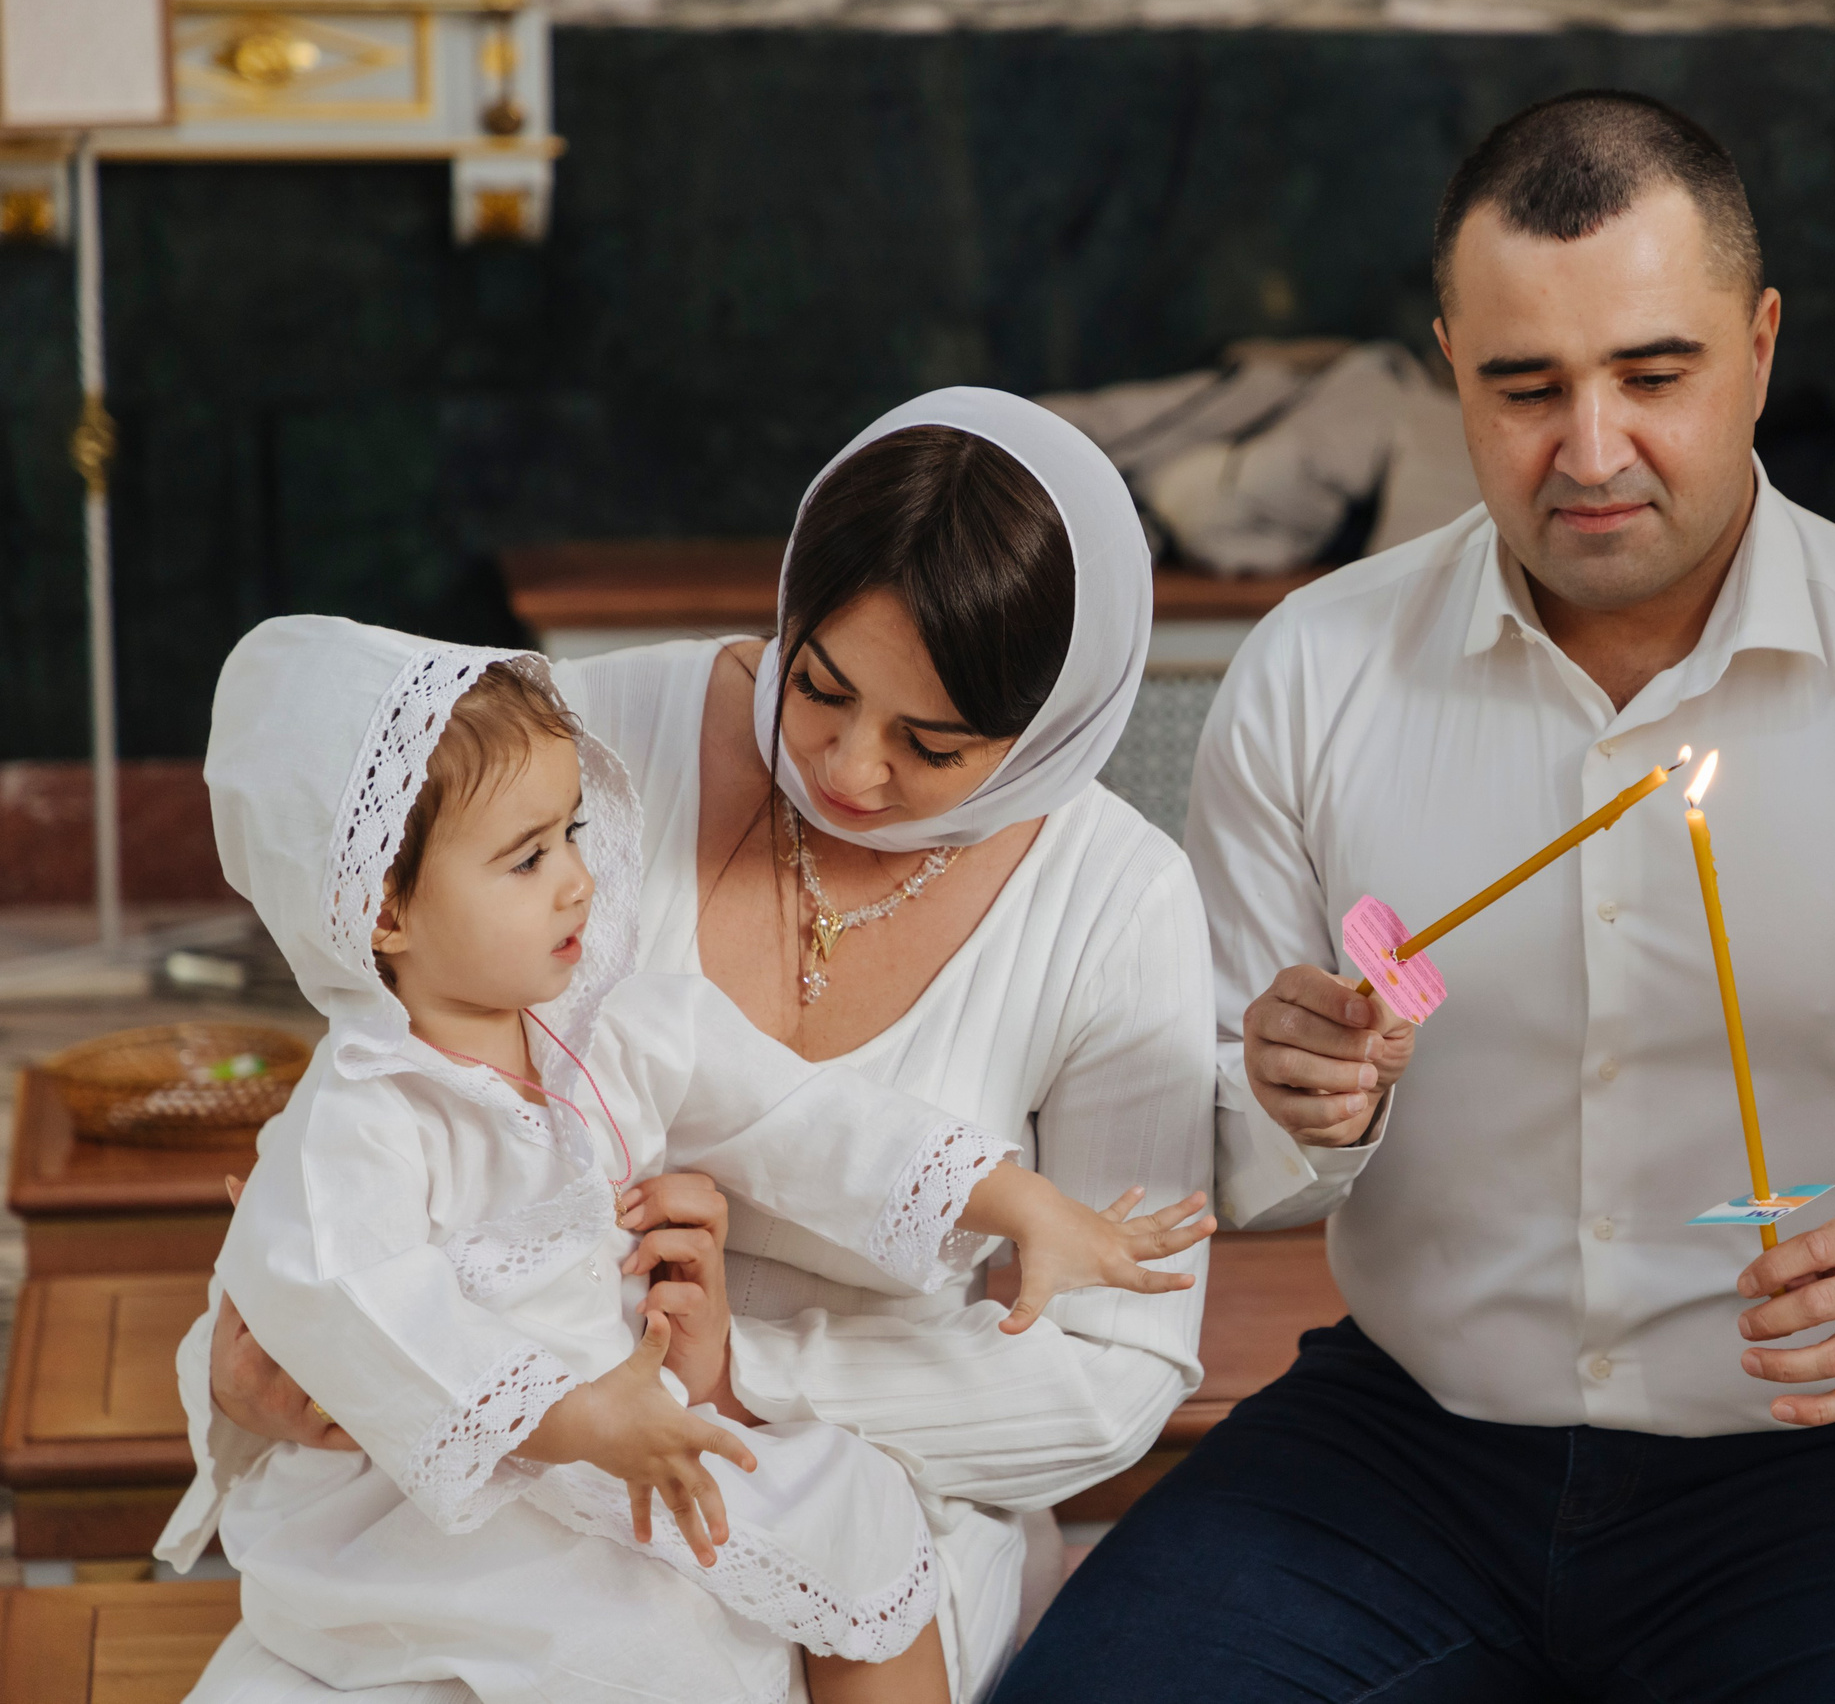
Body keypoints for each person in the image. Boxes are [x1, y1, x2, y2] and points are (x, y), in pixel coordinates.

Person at [1001, 91, 1835, 1702]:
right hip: (1405, 1440)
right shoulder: (1314, 672)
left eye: (1654, 376)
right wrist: (1299, 1100)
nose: (1590, 454)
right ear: (1451, 361)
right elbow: (1217, 1162)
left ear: (1761, 346)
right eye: (1525, 388)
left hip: (1815, 1459)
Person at [181, 390, 1219, 1702]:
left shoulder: (1118, 902)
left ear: (1047, 727)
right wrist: (248, 1376)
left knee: (828, 1556)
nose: (845, 767)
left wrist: (767, 1362)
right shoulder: (564, 759)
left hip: (842, 1443)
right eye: (820, 685)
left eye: (933, 743)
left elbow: (807, 1130)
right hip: (500, 1448)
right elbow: (325, 1237)